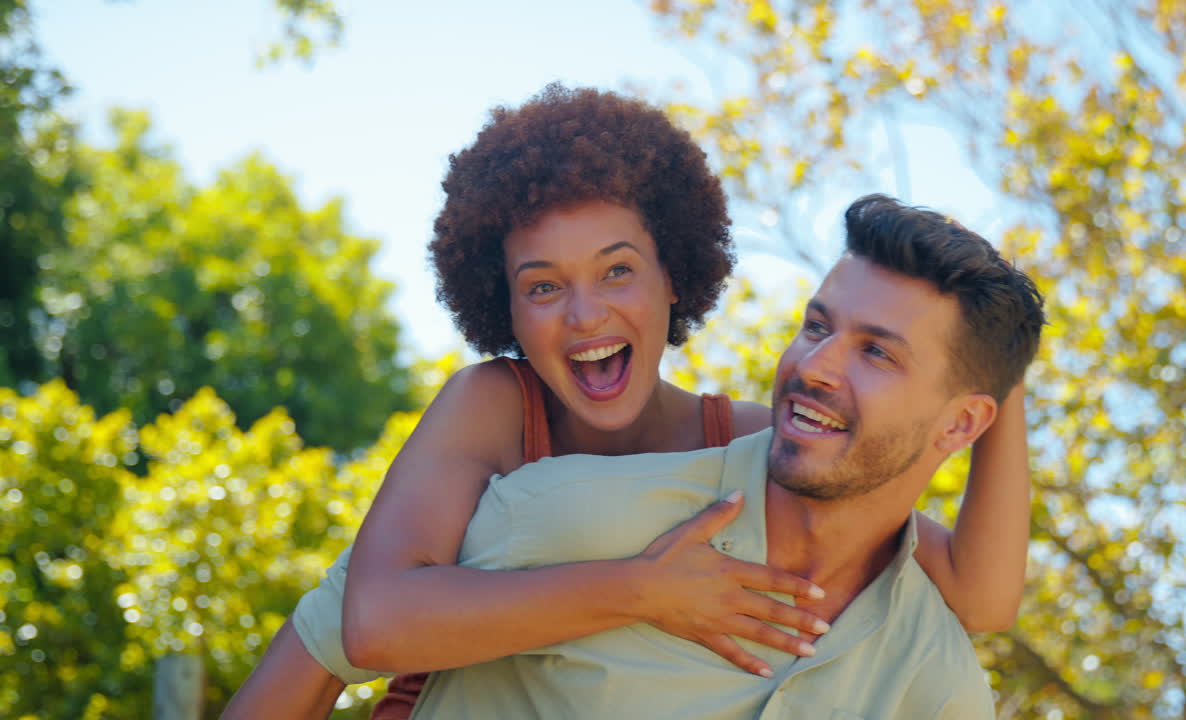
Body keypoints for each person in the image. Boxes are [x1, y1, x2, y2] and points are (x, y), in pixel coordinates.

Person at [224, 86, 1030, 719]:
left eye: (616, 271)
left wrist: (997, 348)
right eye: (543, 287)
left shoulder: (748, 442)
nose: (584, 315)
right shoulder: (494, 409)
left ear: (672, 276)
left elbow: (977, 590)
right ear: (504, 309)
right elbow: (361, 624)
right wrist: (644, 590)